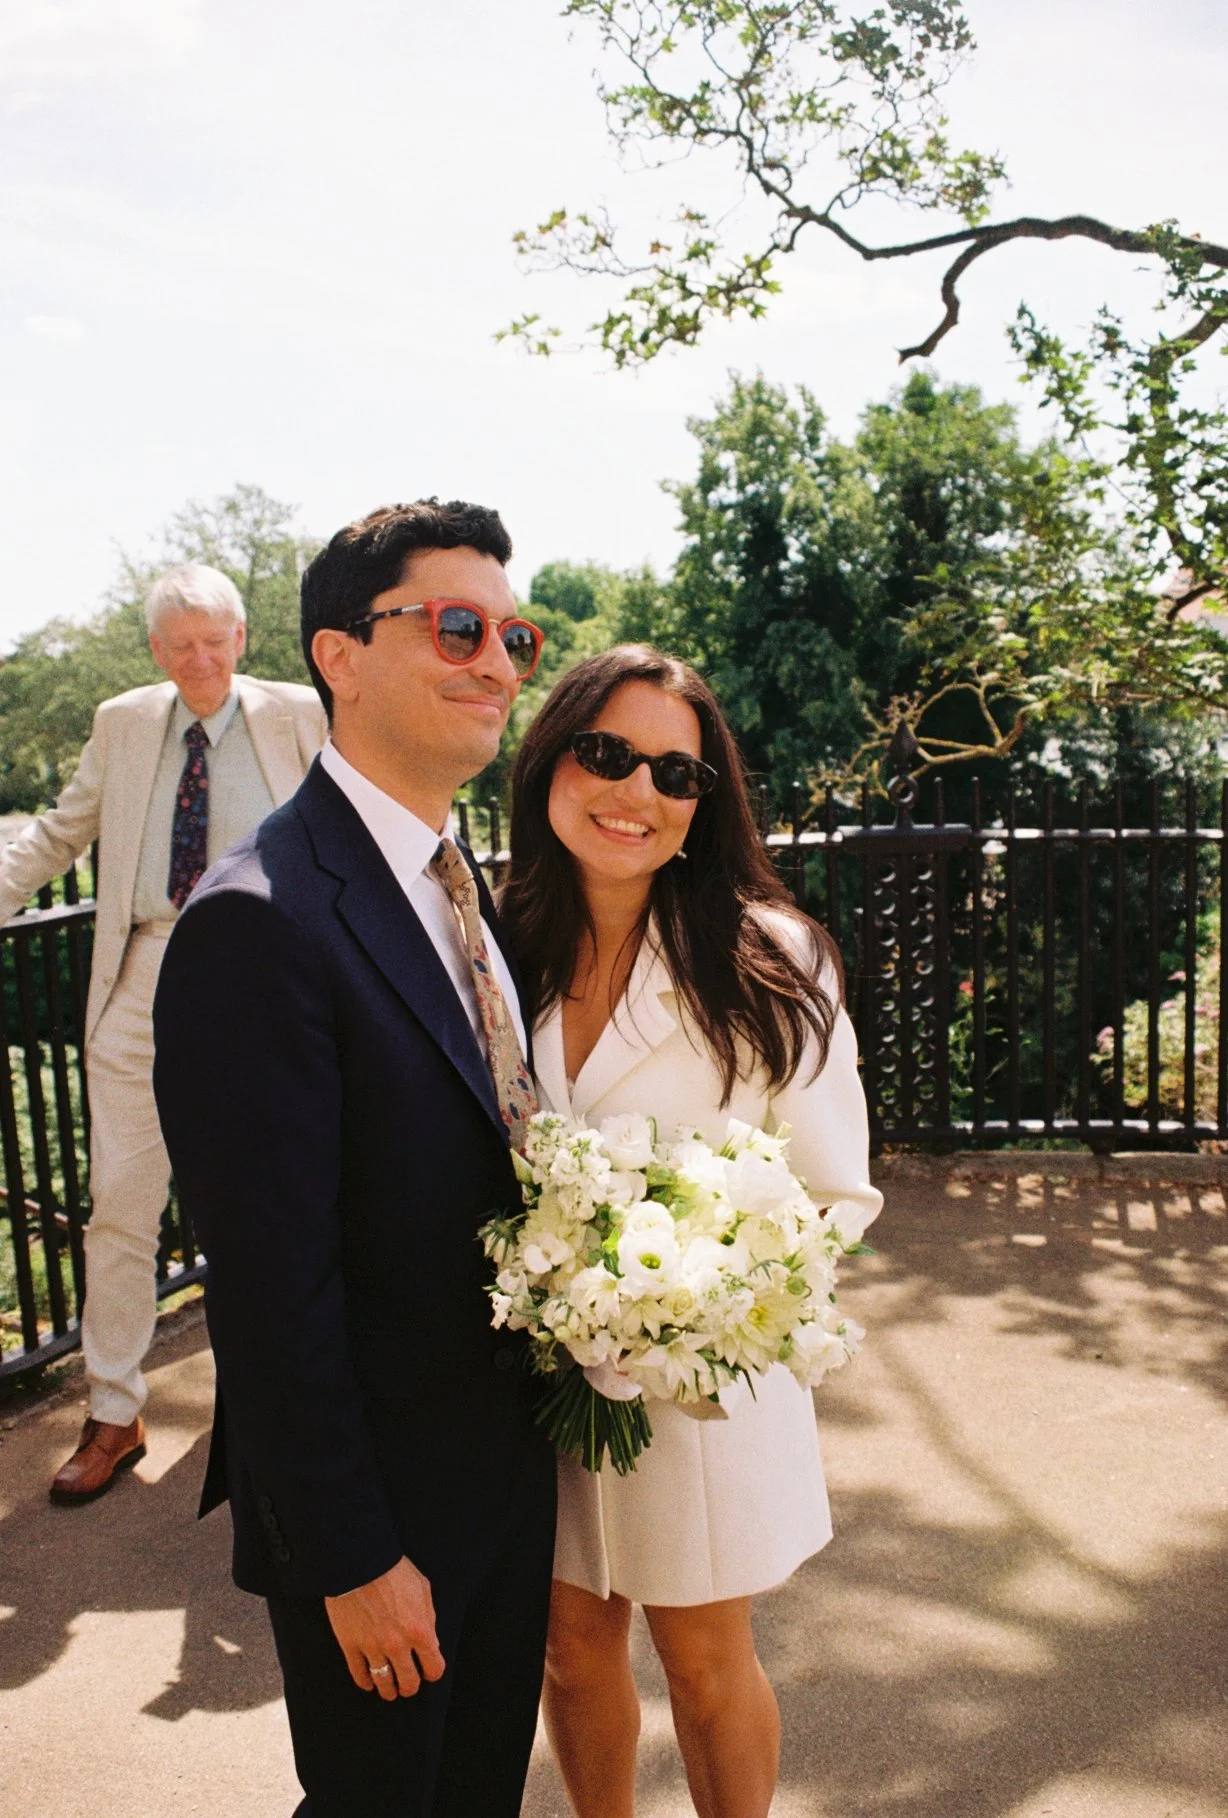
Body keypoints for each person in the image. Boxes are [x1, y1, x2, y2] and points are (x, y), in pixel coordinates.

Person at [151, 500, 557, 1818]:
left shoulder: (456, 877)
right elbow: (270, 1292)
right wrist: (350, 1556)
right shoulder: (257, 920)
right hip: (383, 1513)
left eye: (514, 636)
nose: (497, 662)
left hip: (504, 1472)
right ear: (341, 655)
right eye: (456, 627)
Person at [499, 644, 882, 1818]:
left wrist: (695, 1306)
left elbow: (834, 1195)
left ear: (705, 804)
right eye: (607, 754)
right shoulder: (494, 946)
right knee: (569, 1648)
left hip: (700, 1388)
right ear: (552, 758)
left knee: (704, 1660)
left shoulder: (770, 959)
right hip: (534, 1380)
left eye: (677, 774)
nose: (638, 793)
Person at [0, 563, 326, 1503]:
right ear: (156, 649)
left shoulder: (300, 714)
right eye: (180, 645)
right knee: (120, 1204)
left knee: (274, 1198)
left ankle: (269, 1405)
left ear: (241, 637)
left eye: (213, 641)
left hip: (261, 977)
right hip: (142, 974)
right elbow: (58, 833)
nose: (199, 659)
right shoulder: (124, 722)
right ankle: (113, 1410)